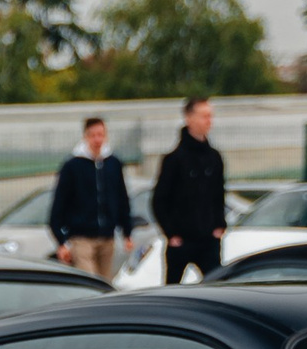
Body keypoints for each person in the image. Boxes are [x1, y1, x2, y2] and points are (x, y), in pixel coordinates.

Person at [151, 94, 228, 282]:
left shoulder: (214, 158)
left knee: (216, 288)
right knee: (173, 292)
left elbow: (219, 195)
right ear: (189, 118)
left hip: (208, 240)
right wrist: (171, 233)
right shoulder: (174, 160)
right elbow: (159, 200)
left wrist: (219, 225)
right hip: (181, 241)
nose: (209, 121)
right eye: (204, 115)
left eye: (210, 115)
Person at [50, 115, 134, 283]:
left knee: (105, 282)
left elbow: (121, 197)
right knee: (90, 281)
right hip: (81, 237)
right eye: (93, 135)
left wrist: (127, 231)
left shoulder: (113, 163)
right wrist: (61, 240)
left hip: (107, 236)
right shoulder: (72, 166)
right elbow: (60, 203)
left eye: (101, 135)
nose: (97, 139)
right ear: (85, 136)